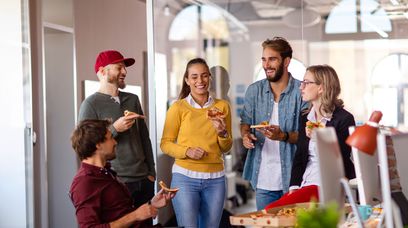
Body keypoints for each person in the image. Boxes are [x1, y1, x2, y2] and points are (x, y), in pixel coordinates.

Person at [265, 64, 356, 209]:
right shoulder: (305, 118)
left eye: (306, 83)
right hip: (305, 184)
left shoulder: (345, 119)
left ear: (321, 88)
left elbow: (342, 160)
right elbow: (300, 156)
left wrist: (320, 138)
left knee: (270, 211)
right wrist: (294, 187)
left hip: (327, 186)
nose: (301, 87)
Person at [78, 50, 156, 210]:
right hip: (117, 181)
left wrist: (151, 173)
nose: (125, 72)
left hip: (144, 179)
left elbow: (144, 138)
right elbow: (85, 147)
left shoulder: (132, 99)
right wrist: (115, 128)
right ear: (102, 71)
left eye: (125, 68)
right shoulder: (90, 104)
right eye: (119, 67)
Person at [160, 58, 233, 227]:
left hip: (216, 180)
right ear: (187, 80)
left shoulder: (222, 107)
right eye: (194, 77)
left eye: (204, 76)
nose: (200, 81)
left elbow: (226, 148)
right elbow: (165, 143)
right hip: (185, 178)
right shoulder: (178, 108)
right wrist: (187, 151)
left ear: (209, 78)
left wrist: (222, 132)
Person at [240, 37, 308, 210]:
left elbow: (308, 136)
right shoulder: (254, 91)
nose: (266, 65)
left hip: (295, 179)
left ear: (286, 61)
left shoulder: (302, 92)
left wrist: (283, 136)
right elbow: (245, 123)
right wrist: (245, 136)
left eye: (272, 59)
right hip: (263, 179)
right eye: (264, 59)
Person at [69, 119, 175, 227]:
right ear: (98, 145)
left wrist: (151, 204)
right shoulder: (84, 183)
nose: (115, 142)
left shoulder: (106, 172)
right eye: (111, 138)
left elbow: (120, 212)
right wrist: (135, 215)